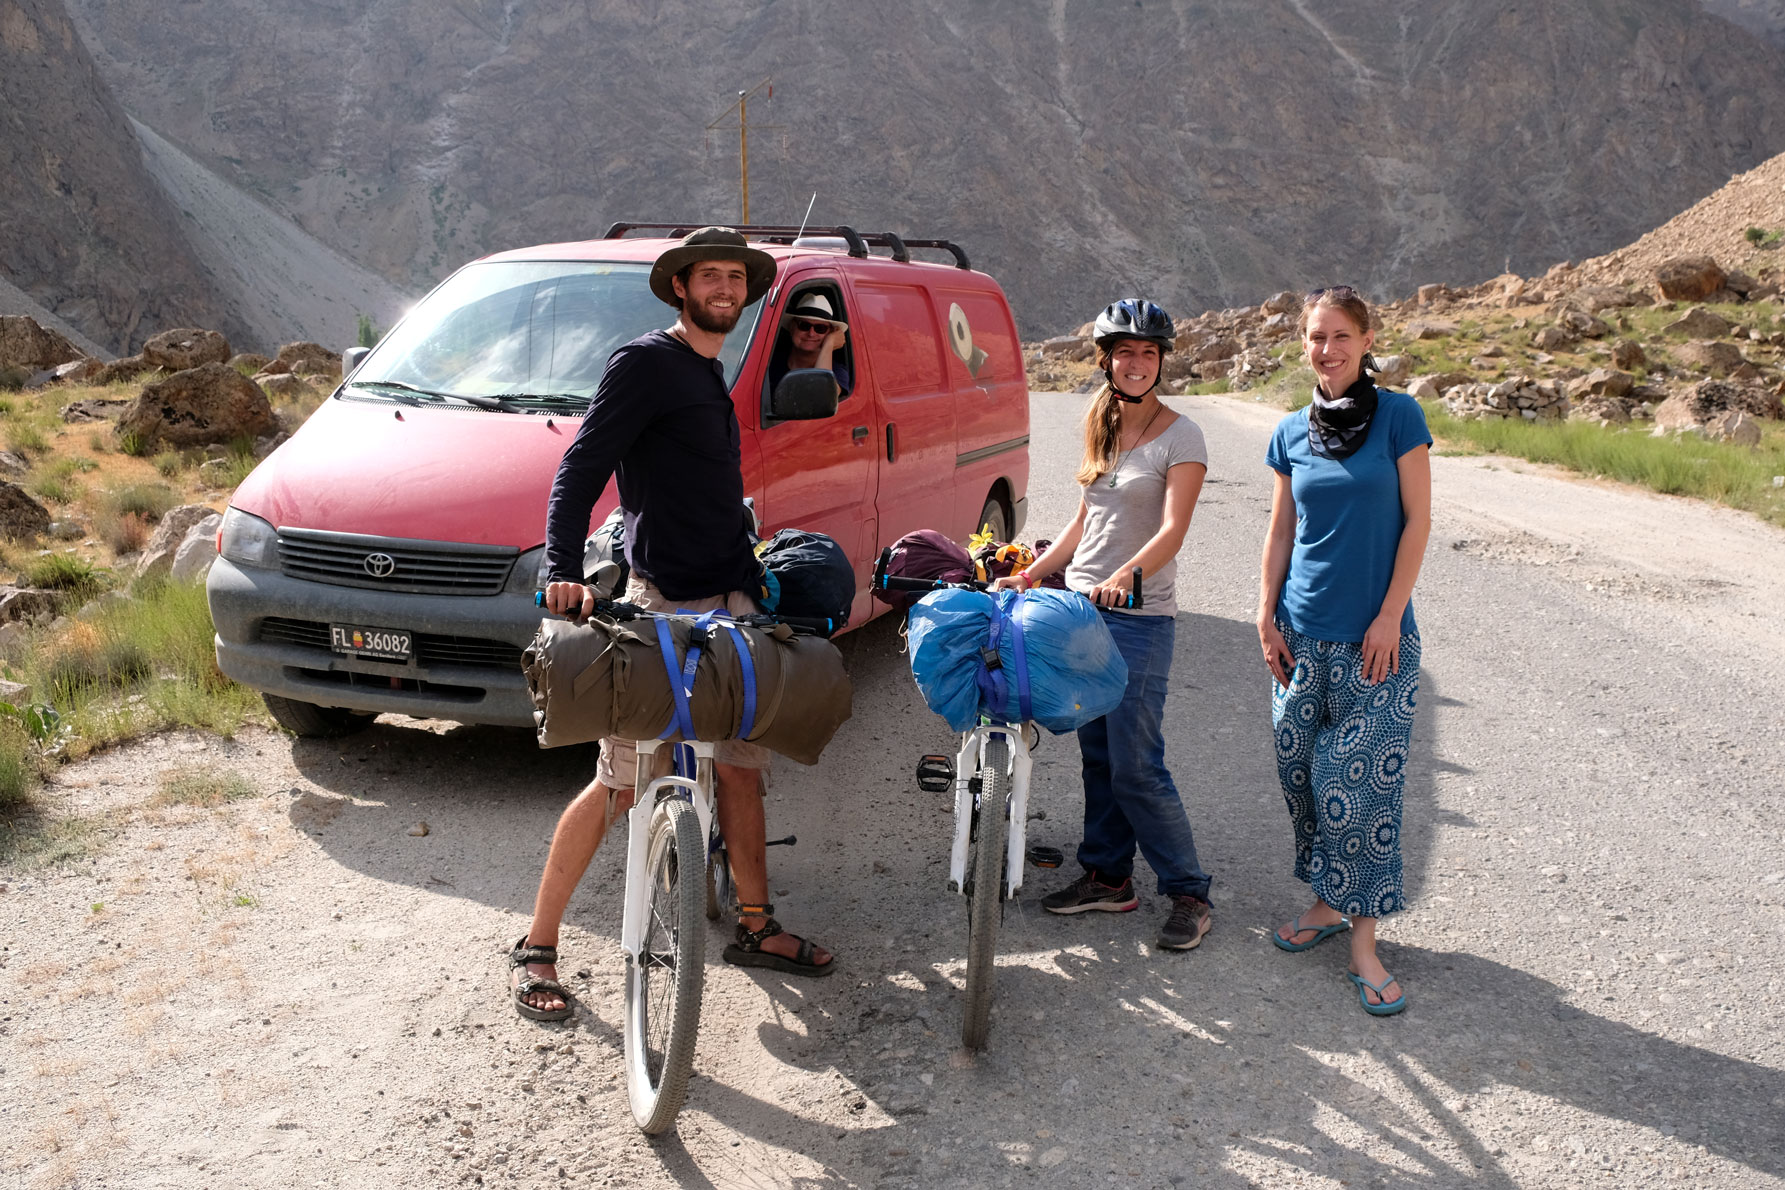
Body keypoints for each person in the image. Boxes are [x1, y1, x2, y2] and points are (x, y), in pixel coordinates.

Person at [512, 227, 836, 1023]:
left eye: (736, 275)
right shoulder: (646, 362)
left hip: (729, 599)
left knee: (740, 764)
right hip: (659, 604)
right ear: (680, 286)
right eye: (710, 275)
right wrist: (560, 569)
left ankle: (755, 925)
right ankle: (539, 945)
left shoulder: (706, 370)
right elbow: (583, 464)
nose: (724, 286)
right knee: (620, 780)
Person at [994, 298, 1215, 952]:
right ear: (1106, 360)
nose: (1136, 362)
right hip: (1083, 613)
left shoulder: (1183, 437)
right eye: (1125, 352)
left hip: (1139, 616)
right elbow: (1084, 520)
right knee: (1097, 757)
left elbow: (1173, 528)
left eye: (1148, 353)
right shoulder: (1103, 424)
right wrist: (1033, 574)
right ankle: (1108, 877)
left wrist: (1126, 575)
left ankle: (1189, 892)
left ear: (1161, 362)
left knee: (1136, 765)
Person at [1257, 284, 1431, 1017]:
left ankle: (1363, 942)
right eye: (1313, 337)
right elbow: (1280, 532)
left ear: (1364, 341)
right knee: (1302, 778)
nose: (1324, 350)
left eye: (1338, 336)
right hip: (1299, 636)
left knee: (1358, 794)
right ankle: (1327, 903)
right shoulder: (1290, 432)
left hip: (1374, 644)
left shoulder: (1398, 418)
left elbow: (1418, 521)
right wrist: (1263, 615)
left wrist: (1390, 615)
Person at [767, 293, 851, 394]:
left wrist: (829, 343)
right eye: (804, 326)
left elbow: (822, 395)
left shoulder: (838, 372)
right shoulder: (769, 363)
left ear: (830, 333)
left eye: (820, 328)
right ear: (792, 327)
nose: (811, 334)